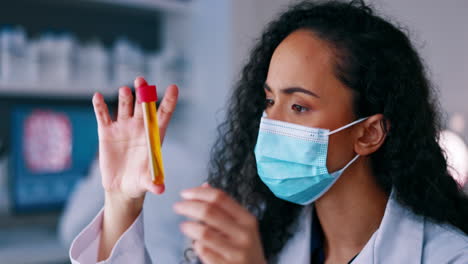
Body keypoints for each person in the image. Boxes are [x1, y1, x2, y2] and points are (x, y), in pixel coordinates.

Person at [70, 1, 468, 263]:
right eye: (268, 101)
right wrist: (122, 203)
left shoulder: (448, 256)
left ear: (368, 133)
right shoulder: (270, 236)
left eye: (299, 106)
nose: (272, 124)